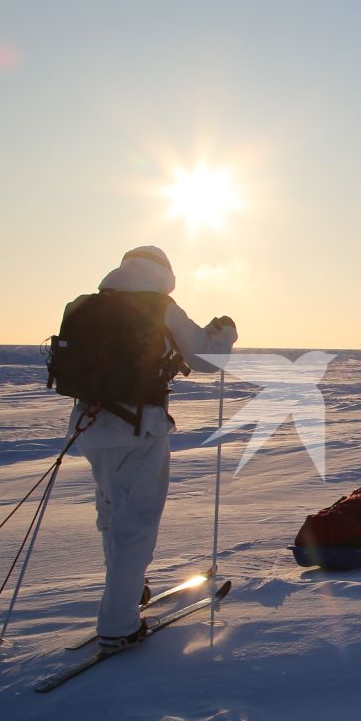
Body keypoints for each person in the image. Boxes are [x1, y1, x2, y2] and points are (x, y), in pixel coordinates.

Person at [58, 245, 237, 650]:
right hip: (138, 429)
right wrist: (225, 333)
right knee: (134, 525)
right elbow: (207, 360)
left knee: (111, 513)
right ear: (162, 273)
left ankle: (130, 590)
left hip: (90, 428)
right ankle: (119, 624)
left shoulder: (84, 306)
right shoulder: (159, 306)